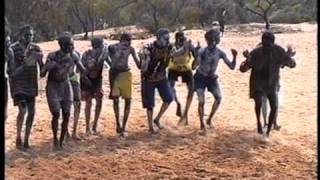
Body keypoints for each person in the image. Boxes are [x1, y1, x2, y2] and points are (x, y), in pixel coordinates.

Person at [239, 31, 296, 136]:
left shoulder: (279, 51)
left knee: (274, 106)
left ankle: (268, 131)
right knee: (259, 103)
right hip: (258, 82)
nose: (266, 47)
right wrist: (247, 60)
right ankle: (259, 123)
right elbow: (242, 69)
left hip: (272, 83)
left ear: (272, 43)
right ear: (262, 42)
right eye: (264, 44)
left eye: (268, 44)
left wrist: (288, 56)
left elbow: (292, 64)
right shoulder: (256, 52)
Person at [41, 32, 87, 150]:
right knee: (56, 113)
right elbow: (42, 74)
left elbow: (83, 70)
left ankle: (61, 141)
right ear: (63, 45)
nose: (72, 47)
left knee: (66, 114)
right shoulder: (52, 56)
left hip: (66, 85)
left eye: (72, 45)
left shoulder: (74, 56)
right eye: (70, 45)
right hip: (53, 86)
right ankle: (55, 138)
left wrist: (88, 66)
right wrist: (48, 66)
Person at [193, 29, 237, 133]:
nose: (211, 43)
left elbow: (231, 66)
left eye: (213, 40)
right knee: (201, 101)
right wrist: (196, 56)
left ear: (216, 41)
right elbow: (194, 67)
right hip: (200, 77)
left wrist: (235, 56)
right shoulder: (202, 51)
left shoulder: (220, 52)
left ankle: (209, 119)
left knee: (218, 98)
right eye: (209, 41)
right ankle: (202, 123)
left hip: (211, 78)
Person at [10, 25, 44, 150]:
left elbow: (42, 69)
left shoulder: (35, 48)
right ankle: (18, 136)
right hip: (18, 84)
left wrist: (44, 62)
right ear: (21, 35)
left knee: (32, 112)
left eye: (31, 35)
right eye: (26, 35)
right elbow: (11, 72)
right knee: (23, 110)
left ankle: (26, 139)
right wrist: (25, 64)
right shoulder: (13, 49)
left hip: (31, 83)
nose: (29, 37)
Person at [139, 28, 173, 133]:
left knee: (168, 98)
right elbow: (143, 67)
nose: (167, 40)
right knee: (150, 104)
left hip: (162, 77)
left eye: (168, 38)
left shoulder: (169, 47)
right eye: (165, 38)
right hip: (148, 78)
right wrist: (145, 59)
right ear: (158, 38)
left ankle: (157, 119)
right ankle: (150, 127)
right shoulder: (149, 48)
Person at [108, 33, 140, 137]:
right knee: (116, 99)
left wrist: (143, 58)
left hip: (126, 74)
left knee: (128, 100)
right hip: (116, 74)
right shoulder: (114, 47)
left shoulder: (130, 49)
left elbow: (138, 64)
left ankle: (123, 127)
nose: (128, 43)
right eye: (126, 40)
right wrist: (118, 50)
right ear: (122, 40)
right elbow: (111, 58)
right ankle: (118, 123)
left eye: (129, 41)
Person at [80, 37, 109, 135]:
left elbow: (110, 63)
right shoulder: (86, 54)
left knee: (99, 100)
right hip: (87, 79)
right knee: (88, 102)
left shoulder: (103, 53)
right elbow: (81, 70)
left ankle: (95, 125)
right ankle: (87, 127)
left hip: (97, 79)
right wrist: (89, 68)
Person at [168, 31, 196, 125]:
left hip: (186, 68)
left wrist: (194, 64)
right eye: (179, 38)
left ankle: (185, 114)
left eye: (182, 38)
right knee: (170, 88)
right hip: (173, 68)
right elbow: (172, 54)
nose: (181, 40)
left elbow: (196, 54)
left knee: (191, 90)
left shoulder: (188, 45)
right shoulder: (172, 46)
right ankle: (177, 103)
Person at [5, 27, 14, 121]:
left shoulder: (9, 52)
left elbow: (12, 70)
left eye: (9, 41)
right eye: (6, 41)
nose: (9, 43)